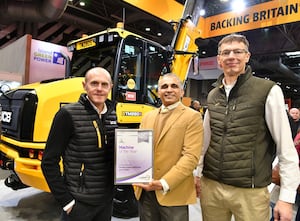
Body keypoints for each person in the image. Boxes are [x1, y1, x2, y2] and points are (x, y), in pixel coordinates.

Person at [195, 34, 300, 221]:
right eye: (226, 52)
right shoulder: (213, 95)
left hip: (250, 191)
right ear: (219, 59)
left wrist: (286, 197)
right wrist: (197, 174)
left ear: (247, 56)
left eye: (238, 51)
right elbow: (205, 142)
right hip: (212, 186)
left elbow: (285, 148)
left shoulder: (267, 90)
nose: (231, 56)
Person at [41, 67, 118, 221]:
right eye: (94, 83)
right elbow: (49, 161)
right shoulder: (67, 114)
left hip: (106, 201)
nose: (99, 89)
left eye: (104, 84)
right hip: (79, 204)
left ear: (111, 87)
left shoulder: (113, 114)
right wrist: (66, 201)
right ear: (85, 86)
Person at [133, 73, 204, 221]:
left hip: (173, 192)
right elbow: (139, 151)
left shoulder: (192, 117)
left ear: (182, 91)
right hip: (146, 192)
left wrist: (164, 183)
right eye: (164, 86)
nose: (169, 90)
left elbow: (191, 157)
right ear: (158, 91)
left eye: (174, 86)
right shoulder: (147, 117)